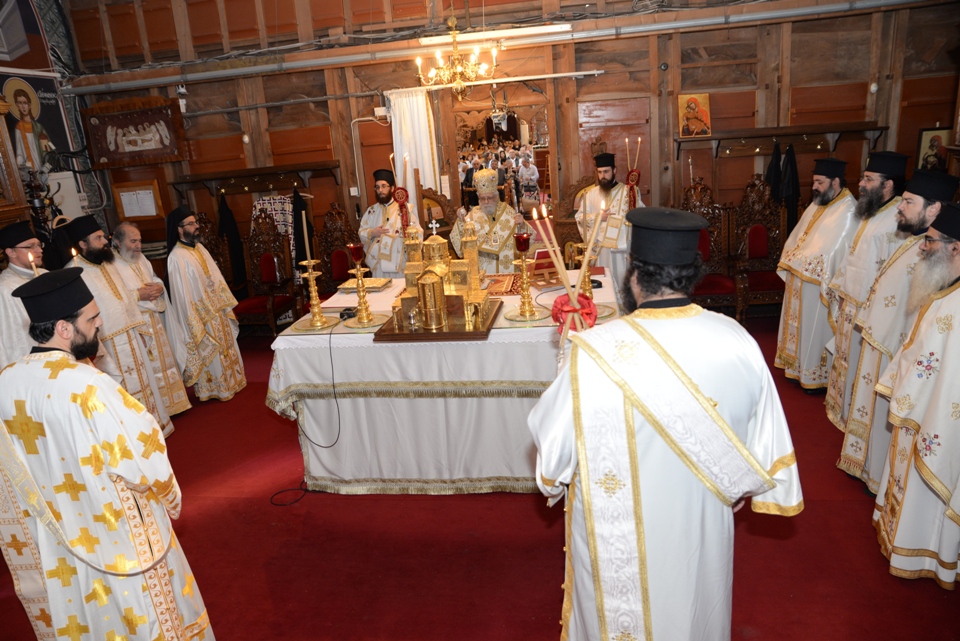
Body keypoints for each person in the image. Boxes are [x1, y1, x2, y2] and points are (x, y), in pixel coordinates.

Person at [528, 207, 803, 641]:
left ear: (634, 275)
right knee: (695, 615)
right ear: (693, 273)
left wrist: (567, 362)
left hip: (619, 543)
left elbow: (551, 467)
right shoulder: (738, 340)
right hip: (702, 526)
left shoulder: (593, 352)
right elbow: (766, 449)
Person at [0, 268, 214, 639]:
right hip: (111, 530)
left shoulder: (6, 381)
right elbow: (141, 451)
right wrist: (169, 494)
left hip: (56, 535)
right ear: (64, 329)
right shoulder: (88, 385)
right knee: (139, 612)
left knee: (86, 613)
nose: (100, 324)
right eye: (92, 318)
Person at [838, 170, 959, 491]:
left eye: (908, 201)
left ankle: (878, 475)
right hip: (882, 338)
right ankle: (869, 467)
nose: (899, 207)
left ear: (934, 208)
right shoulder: (917, 241)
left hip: (897, 348)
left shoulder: (938, 253)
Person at [873, 201, 960, 589]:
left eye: (931, 241)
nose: (923, 247)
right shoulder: (945, 290)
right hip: (919, 407)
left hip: (938, 416)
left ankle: (928, 551)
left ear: (955, 247)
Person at [68, 215, 175, 437]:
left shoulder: (108, 264)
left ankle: (153, 427)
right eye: (98, 238)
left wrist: (139, 329)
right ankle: (132, 435)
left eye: (103, 236)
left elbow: (125, 298)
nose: (104, 242)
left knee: (144, 382)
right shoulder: (74, 272)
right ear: (82, 244)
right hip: (107, 343)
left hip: (132, 334)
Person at [825, 151, 908, 429]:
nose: (861, 184)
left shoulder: (896, 220)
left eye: (869, 179)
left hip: (868, 308)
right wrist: (840, 286)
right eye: (863, 177)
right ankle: (842, 411)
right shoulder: (871, 211)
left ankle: (855, 417)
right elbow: (854, 253)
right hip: (850, 300)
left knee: (860, 366)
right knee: (846, 359)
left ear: (888, 185)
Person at [776, 158, 858, 391]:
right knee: (799, 326)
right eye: (814, 182)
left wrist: (799, 264)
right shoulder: (819, 203)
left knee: (814, 328)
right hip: (801, 277)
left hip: (818, 284)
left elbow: (832, 251)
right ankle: (796, 367)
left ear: (836, 182)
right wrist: (793, 260)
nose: (814, 187)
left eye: (820, 182)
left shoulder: (849, 210)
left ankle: (814, 374)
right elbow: (798, 237)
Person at [165, 205, 247, 402]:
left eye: (196, 222)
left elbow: (216, 278)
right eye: (191, 224)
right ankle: (215, 388)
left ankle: (233, 382)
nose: (196, 226)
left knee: (227, 347)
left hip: (216, 308)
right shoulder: (176, 257)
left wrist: (224, 303)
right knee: (212, 353)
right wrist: (194, 320)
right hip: (201, 315)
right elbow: (181, 295)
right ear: (179, 229)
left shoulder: (200, 248)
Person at [112, 221, 191, 417]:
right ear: (117, 242)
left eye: (140, 241)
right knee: (148, 367)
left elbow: (153, 277)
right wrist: (138, 295)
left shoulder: (141, 259)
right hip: (137, 324)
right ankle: (157, 408)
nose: (138, 245)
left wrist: (159, 286)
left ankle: (173, 403)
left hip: (155, 320)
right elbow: (114, 298)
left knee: (164, 364)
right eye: (133, 241)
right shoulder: (110, 266)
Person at [575, 152, 644, 299]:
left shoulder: (629, 192)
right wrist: (597, 217)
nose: (603, 176)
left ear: (614, 170)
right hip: (601, 252)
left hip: (622, 252)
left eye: (606, 171)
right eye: (599, 172)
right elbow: (579, 218)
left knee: (622, 284)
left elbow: (640, 216)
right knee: (603, 286)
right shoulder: (591, 195)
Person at [450, 168, 534, 274]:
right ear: (478, 197)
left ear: (496, 196)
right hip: (483, 272)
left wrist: (522, 224)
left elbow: (529, 238)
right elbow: (459, 241)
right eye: (482, 198)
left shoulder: (508, 211)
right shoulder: (473, 214)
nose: (486, 202)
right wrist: (460, 221)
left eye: (489, 198)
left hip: (508, 269)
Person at [358, 169, 424, 279]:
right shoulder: (371, 211)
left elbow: (418, 232)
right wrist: (372, 232)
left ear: (392, 188)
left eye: (384, 186)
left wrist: (406, 237)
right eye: (377, 187)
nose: (380, 190)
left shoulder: (405, 209)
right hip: (379, 264)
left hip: (399, 262)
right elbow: (361, 232)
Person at [0, 220, 47, 367]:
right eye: (30, 246)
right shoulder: (5, 289)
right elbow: (12, 339)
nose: (39, 250)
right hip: (33, 363)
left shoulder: (46, 275)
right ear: (11, 252)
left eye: (39, 245)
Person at [11, 87, 54, 170]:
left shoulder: (38, 127)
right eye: (20, 103)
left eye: (25, 103)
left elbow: (47, 149)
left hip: (42, 165)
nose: (23, 106)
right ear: (17, 105)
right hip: (29, 167)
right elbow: (20, 153)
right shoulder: (18, 127)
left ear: (29, 105)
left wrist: (47, 166)